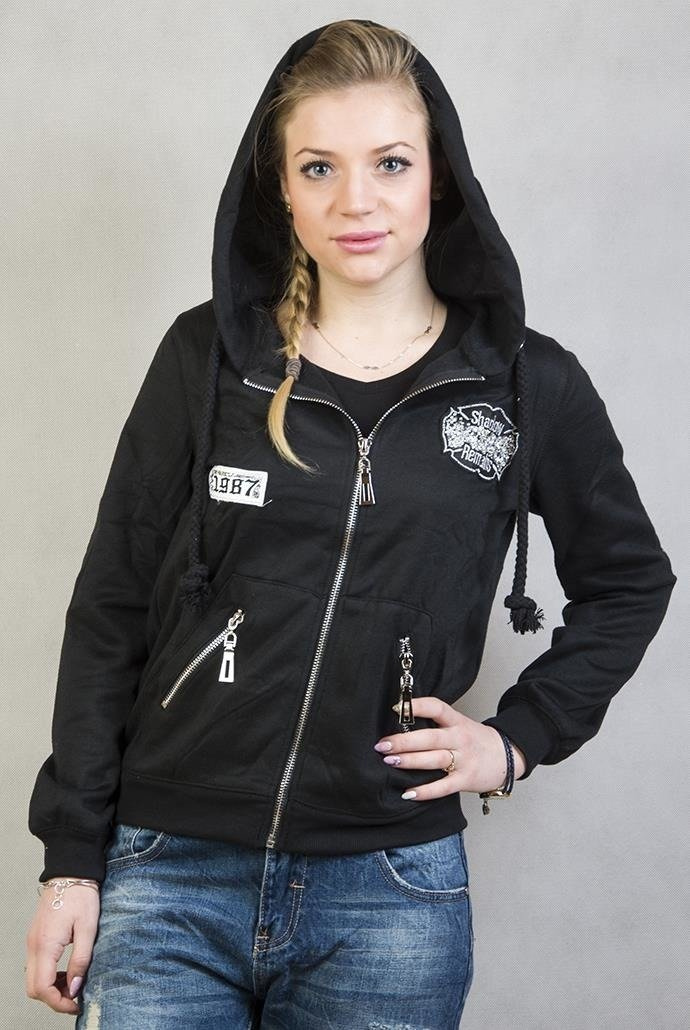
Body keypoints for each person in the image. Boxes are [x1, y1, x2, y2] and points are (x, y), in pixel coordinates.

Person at [25, 18, 676, 1029]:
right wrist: (72, 861)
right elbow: (111, 606)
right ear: (280, 188)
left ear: (440, 179)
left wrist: (517, 741)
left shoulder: (525, 385)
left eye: (391, 163)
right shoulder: (208, 361)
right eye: (318, 167)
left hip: (388, 892)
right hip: (168, 874)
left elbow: (631, 581)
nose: (355, 200)